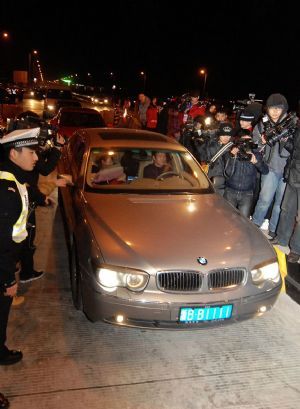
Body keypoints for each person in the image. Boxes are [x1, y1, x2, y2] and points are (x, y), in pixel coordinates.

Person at [0, 128, 41, 368]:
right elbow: (2, 242)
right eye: (31, 151)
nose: (36, 157)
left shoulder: (14, 179)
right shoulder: (7, 190)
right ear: (14, 154)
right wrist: (7, 280)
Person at [18, 130, 66, 283]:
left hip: (24, 201)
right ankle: (26, 273)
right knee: (27, 239)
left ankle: (15, 265)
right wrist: (57, 149)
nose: (36, 157)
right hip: (25, 204)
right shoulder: (21, 157)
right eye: (33, 153)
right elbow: (44, 170)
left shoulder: (17, 152)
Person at [252, 93, 295, 237]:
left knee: (279, 204)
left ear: (284, 109)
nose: (275, 111)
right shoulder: (262, 124)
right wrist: (261, 142)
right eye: (272, 108)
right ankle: (255, 224)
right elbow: (254, 143)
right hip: (270, 168)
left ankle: (273, 230)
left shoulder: (292, 124)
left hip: (287, 171)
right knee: (264, 199)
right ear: (267, 109)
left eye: (279, 108)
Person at [270, 124, 300, 262]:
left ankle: (296, 249)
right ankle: (281, 238)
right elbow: (293, 149)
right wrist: (285, 140)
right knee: (286, 209)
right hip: (293, 174)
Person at [224, 130, 269, 217]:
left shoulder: (256, 154)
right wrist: (232, 157)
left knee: (244, 222)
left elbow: (265, 171)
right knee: (227, 218)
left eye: (249, 141)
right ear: (239, 142)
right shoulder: (232, 153)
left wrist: (256, 162)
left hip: (247, 194)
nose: (246, 144)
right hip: (230, 191)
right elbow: (227, 173)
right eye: (243, 142)